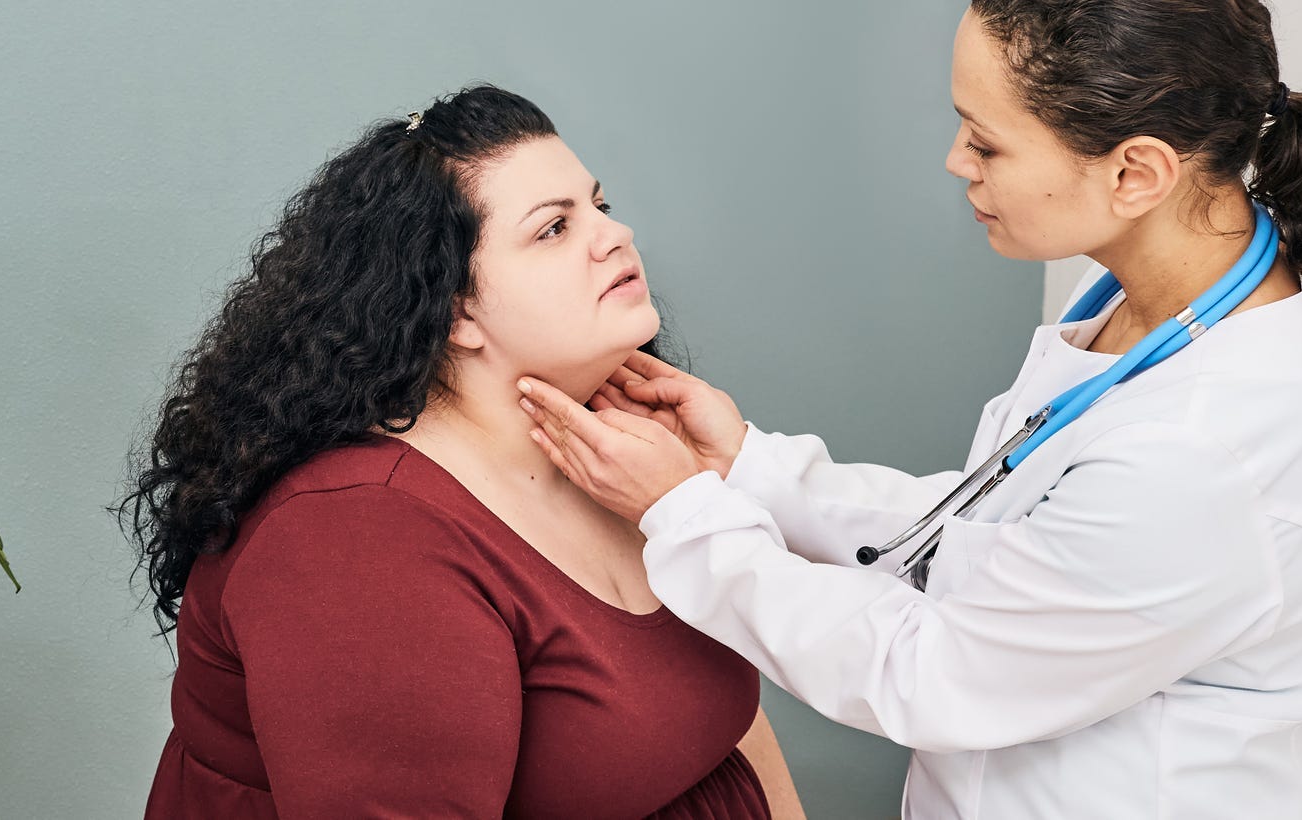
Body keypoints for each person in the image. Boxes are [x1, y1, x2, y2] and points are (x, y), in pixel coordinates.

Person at [515, 2, 1302, 818]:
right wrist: (749, 465)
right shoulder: (1157, 303)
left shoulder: (1207, 448)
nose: (956, 163)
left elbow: (929, 672)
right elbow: (1004, 532)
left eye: (986, 143)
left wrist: (684, 515)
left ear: (1137, 173)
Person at [121, 85, 804, 818]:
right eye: (554, 229)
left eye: (599, 208)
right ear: (456, 312)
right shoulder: (357, 546)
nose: (617, 235)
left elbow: (725, 730)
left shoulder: (628, 447)